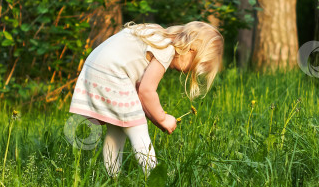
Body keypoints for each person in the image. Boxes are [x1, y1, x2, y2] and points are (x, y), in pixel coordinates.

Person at [69, 21, 224, 176]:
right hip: (113, 73)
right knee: (138, 129)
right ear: (191, 49)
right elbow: (146, 91)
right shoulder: (166, 50)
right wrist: (162, 119)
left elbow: (140, 91)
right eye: (193, 66)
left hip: (95, 67)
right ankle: (154, 179)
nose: (189, 72)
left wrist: (153, 115)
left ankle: (113, 177)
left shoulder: (155, 33)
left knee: (117, 127)